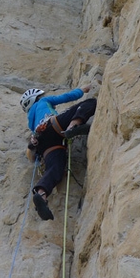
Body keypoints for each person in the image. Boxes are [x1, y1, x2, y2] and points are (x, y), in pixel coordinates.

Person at [20, 85, 97, 220]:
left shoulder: (31, 124)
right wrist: (82, 90)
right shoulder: (42, 102)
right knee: (90, 103)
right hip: (53, 126)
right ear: (36, 98)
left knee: (55, 168)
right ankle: (73, 126)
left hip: (43, 144)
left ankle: (41, 193)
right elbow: (65, 97)